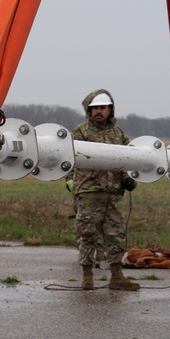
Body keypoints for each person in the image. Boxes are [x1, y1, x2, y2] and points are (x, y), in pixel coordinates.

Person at [70, 89, 139, 290]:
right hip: (89, 191)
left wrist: (128, 179)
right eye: (95, 108)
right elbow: (70, 158)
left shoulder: (118, 134)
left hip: (114, 192)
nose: (98, 112)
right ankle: (87, 275)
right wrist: (70, 181)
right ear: (89, 111)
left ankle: (117, 276)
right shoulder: (80, 132)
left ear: (110, 109)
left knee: (114, 233)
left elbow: (128, 159)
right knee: (88, 232)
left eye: (102, 108)